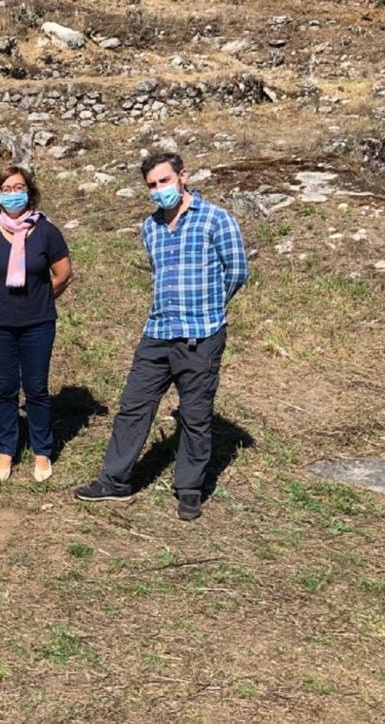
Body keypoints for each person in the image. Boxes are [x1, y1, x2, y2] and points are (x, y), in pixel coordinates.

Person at [75, 152, 248, 521]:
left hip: (201, 335)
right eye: (152, 185)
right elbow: (159, 273)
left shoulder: (216, 219)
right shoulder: (150, 228)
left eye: (164, 181)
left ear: (183, 177)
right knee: (133, 408)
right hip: (157, 332)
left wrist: (209, 310)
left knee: (195, 415)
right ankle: (115, 480)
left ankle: (189, 488)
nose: (159, 190)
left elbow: (237, 272)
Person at [0, 165, 73, 484]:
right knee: (5, 389)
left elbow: (63, 273)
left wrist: (40, 296)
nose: (13, 193)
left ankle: (42, 450)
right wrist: (1, 294)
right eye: (7, 188)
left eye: (19, 187)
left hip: (38, 322)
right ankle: (6, 448)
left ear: (30, 191)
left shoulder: (47, 232)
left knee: (37, 389)